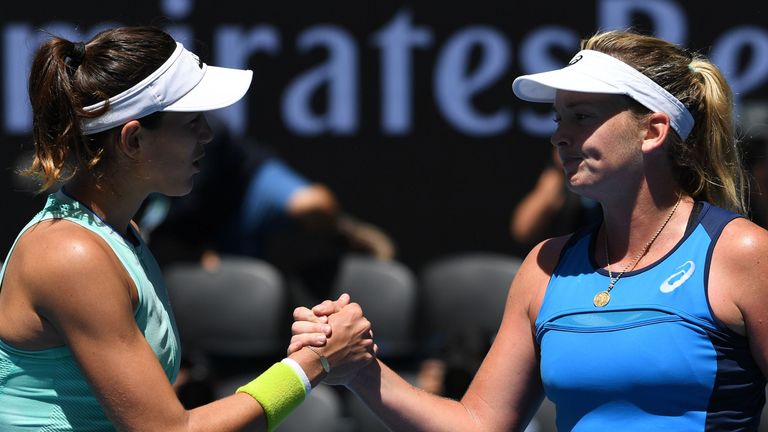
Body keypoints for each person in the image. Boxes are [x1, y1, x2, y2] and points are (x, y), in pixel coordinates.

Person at [290, 29, 768, 431]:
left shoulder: (743, 252)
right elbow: (479, 423)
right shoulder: (546, 265)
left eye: (582, 116)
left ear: (653, 131)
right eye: (558, 117)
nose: (560, 134)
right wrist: (359, 368)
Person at [0, 26, 374, 431]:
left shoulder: (121, 235)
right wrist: (313, 364)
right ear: (134, 140)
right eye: (192, 122)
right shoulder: (72, 256)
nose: (207, 135)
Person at [138, 114, 395, 306]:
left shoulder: (207, 132)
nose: (201, 132)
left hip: (246, 187)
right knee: (240, 293)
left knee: (313, 204)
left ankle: (343, 231)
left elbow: (196, 197)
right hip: (198, 227)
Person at [510, 147, 601, 247]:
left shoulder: (615, 178)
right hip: (575, 254)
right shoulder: (558, 175)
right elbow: (523, 230)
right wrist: (560, 171)